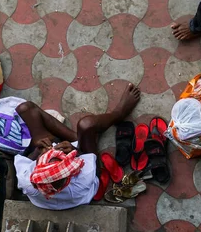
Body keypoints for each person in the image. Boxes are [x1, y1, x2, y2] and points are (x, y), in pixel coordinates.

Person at [13, 83, 141, 210]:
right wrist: (76, 151)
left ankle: (78, 137)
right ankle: (118, 114)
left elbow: (25, 160)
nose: (54, 149)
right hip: (84, 183)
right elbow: (90, 160)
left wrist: (37, 151)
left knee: (25, 109)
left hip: (50, 165)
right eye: (62, 157)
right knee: (86, 125)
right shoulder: (83, 179)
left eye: (49, 154)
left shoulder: (27, 180)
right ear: (69, 177)